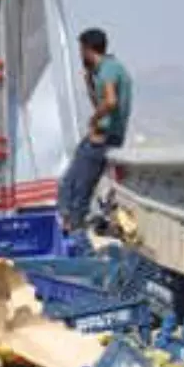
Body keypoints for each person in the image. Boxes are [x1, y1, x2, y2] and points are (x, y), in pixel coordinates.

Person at [59, 27, 133, 233]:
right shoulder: (107, 70)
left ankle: (73, 230)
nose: (80, 55)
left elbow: (110, 102)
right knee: (69, 184)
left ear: (88, 49)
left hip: (103, 136)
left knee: (78, 187)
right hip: (104, 134)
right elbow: (103, 103)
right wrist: (90, 85)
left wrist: (94, 120)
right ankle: (70, 224)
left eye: (81, 50)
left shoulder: (108, 69)